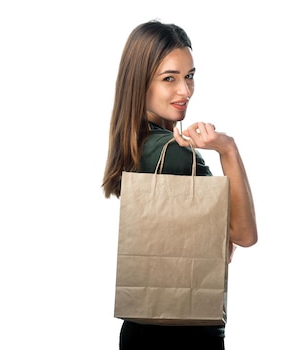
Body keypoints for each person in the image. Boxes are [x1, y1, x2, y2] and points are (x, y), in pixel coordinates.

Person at [102, 20, 258, 349]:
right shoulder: (172, 154)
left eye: (189, 76)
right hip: (185, 335)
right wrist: (227, 148)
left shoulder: (135, 142)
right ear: (140, 82)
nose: (185, 91)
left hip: (141, 329)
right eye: (169, 78)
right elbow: (243, 235)